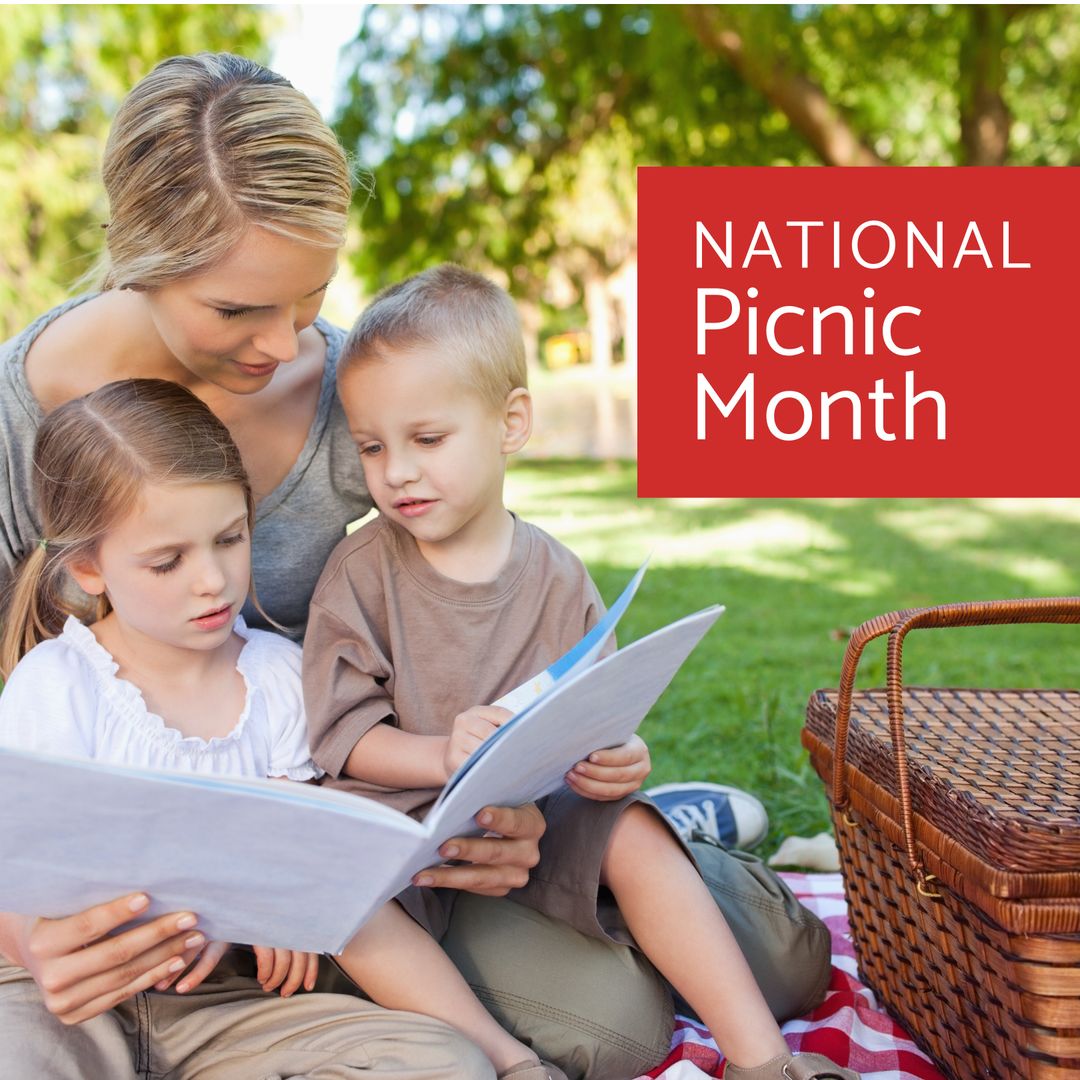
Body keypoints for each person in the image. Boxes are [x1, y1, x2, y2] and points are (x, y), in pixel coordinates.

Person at [0, 51, 828, 1079]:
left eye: (309, 297)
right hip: (266, 880)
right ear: (137, 259)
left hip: (386, 831)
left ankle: (662, 839)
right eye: (235, 311)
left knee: (787, 967)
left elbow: (479, 575)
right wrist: (20, 926)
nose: (284, 346)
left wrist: (516, 787)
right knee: (617, 1036)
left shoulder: (351, 394)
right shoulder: (21, 422)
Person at [303, 265, 858, 1080]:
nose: (397, 472)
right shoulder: (360, 575)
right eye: (372, 447)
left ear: (511, 423)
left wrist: (619, 759)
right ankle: (647, 923)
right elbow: (342, 737)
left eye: (427, 439)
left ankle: (763, 1062)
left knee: (785, 959)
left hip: (547, 827)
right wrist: (439, 754)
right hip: (428, 859)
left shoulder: (558, 575)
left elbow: (596, 719)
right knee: (621, 1036)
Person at [0, 379, 498, 1079]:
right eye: (167, 561)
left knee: (443, 1063)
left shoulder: (278, 677)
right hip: (64, 1002)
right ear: (87, 566)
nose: (212, 580)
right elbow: (21, 872)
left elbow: (304, 852)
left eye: (230, 539)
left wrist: (281, 907)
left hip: (230, 1006)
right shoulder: (56, 686)